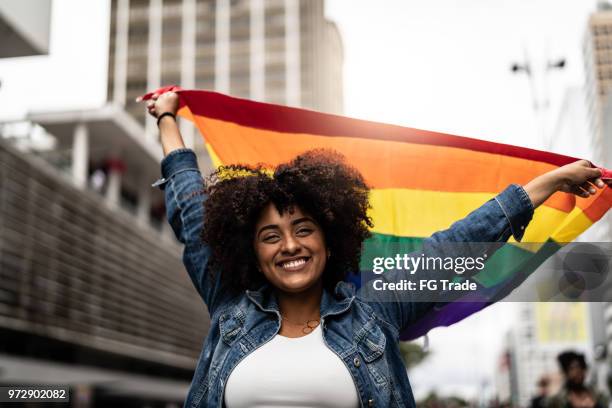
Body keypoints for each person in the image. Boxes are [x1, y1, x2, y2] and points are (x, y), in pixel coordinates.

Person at [145, 91, 610, 408]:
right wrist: (168, 117)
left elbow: (454, 246)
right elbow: (190, 207)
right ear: (252, 248)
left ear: (330, 236)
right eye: (271, 235)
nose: (289, 246)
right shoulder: (229, 305)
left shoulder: (377, 310)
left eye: (303, 229)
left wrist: (548, 184)